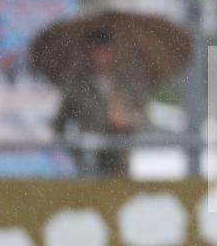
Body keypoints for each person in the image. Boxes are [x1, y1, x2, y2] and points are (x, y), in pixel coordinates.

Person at [53, 28, 149, 175]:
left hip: (120, 161)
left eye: (104, 50)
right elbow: (59, 124)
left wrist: (126, 121)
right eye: (96, 50)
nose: (100, 56)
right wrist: (77, 150)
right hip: (89, 162)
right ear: (88, 52)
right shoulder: (77, 84)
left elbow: (144, 118)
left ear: (112, 51)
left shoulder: (126, 83)